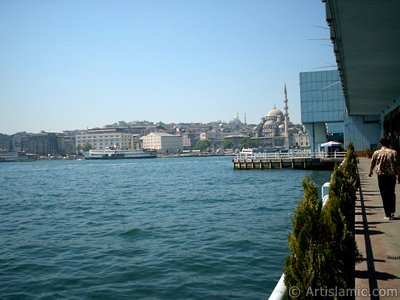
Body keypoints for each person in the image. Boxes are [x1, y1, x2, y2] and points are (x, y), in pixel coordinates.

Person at [369, 137, 400, 220]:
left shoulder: (377, 153)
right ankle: (392, 212)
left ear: (381, 143)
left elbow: (372, 163)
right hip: (391, 176)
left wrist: (370, 171)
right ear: (389, 143)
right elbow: (397, 165)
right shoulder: (393, 152)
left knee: (384, 194)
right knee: (391, 193)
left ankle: (387, 214)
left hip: (381, 176)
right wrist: (399, 175)